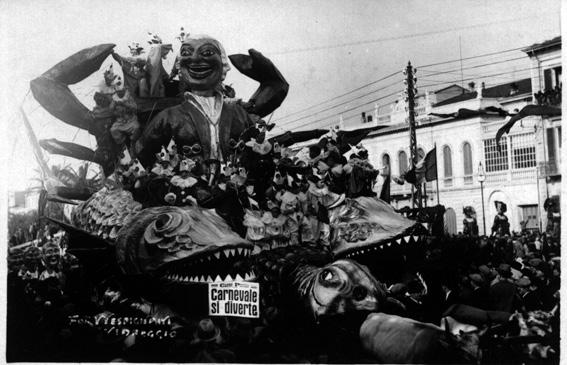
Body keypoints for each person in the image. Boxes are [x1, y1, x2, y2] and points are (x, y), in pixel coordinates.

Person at [134, 35, 256, 166]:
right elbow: (143, 153)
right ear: (179, 66)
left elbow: (255, 152)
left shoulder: (239, 114)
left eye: (207, 52)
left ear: (223, 64)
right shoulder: (168, 117)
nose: (195, 58)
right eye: (186, 53)